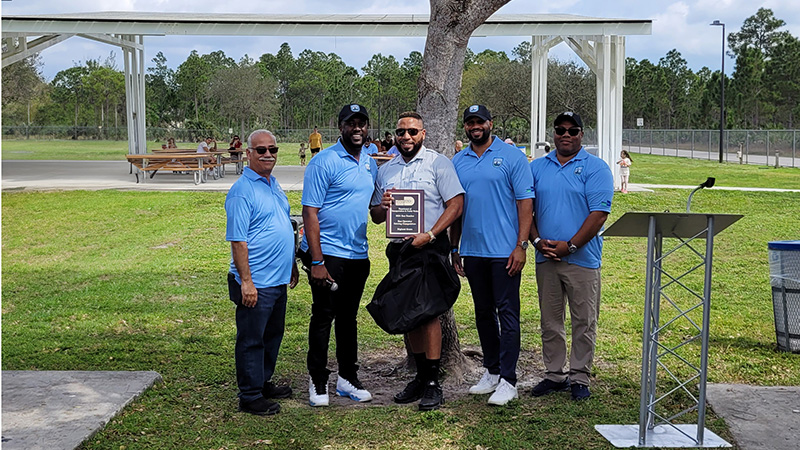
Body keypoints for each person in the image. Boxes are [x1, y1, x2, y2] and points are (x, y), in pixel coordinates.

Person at [369, 111, 465, 411]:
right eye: (401, 132)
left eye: (412, 132)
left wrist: (432, 234)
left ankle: (435, 381)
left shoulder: (438, 163)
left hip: (430, 249)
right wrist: (382, 207)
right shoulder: (386, 169)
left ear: (423, 134)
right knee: (408, 313)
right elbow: (375, 216)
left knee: (429, 313)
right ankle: (421, 377)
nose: (406, 137)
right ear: (395, 136)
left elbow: (457, 204)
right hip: (400, 249)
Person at [450, 105, 534, 406]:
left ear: (490, 123)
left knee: (507, 313)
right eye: (470, 122)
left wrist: (521, 246)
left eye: (479, 121)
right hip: (472, 250)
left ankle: (509, 380)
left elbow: (526, 202)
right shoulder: (458, 161)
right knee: (483, 312)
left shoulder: (511, 157)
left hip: (505, 252)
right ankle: (492, 371)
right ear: (466, 127)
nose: (475, 126)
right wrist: (455, 247)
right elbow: (455, 208)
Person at [528, 112, 613, 401]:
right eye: (560, 130)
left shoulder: (596, 168)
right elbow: (526, 209)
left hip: (582, 259)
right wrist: (537, 241)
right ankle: (554, 374)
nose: (566, 135)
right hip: (546, 258)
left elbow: (599, 214)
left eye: (572, 130)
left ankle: (579, 377)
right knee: (550, 321)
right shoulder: (537, 167)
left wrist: (571, 246)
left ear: (581, 134)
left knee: (583, 320)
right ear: (553, 133)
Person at [299, 104, 378, 407]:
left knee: (348, 318)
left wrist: (389, 207)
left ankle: (347, 378)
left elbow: (375, 212)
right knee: (323, 317)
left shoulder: (370, 164)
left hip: (358, 255)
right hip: (328, 254)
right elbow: (310, 212)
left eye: (362, 123)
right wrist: (317, 261)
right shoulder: (324, 162)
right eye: (350, 123)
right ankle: (318, 380)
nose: (357, 128)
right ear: (340, 127)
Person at [225, 129, 299, 416]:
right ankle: (250, 395)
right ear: (248, 154)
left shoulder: (273, 184)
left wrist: (290, 263)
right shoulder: (242, 191)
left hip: (277, 280)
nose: (268, 154)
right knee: (252, 339)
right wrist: (246, 281)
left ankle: (262, 381)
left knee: (271, 336)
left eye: (273, 149)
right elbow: (238, 241)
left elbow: (284, 224)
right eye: (261, 150)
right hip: (255, 282)